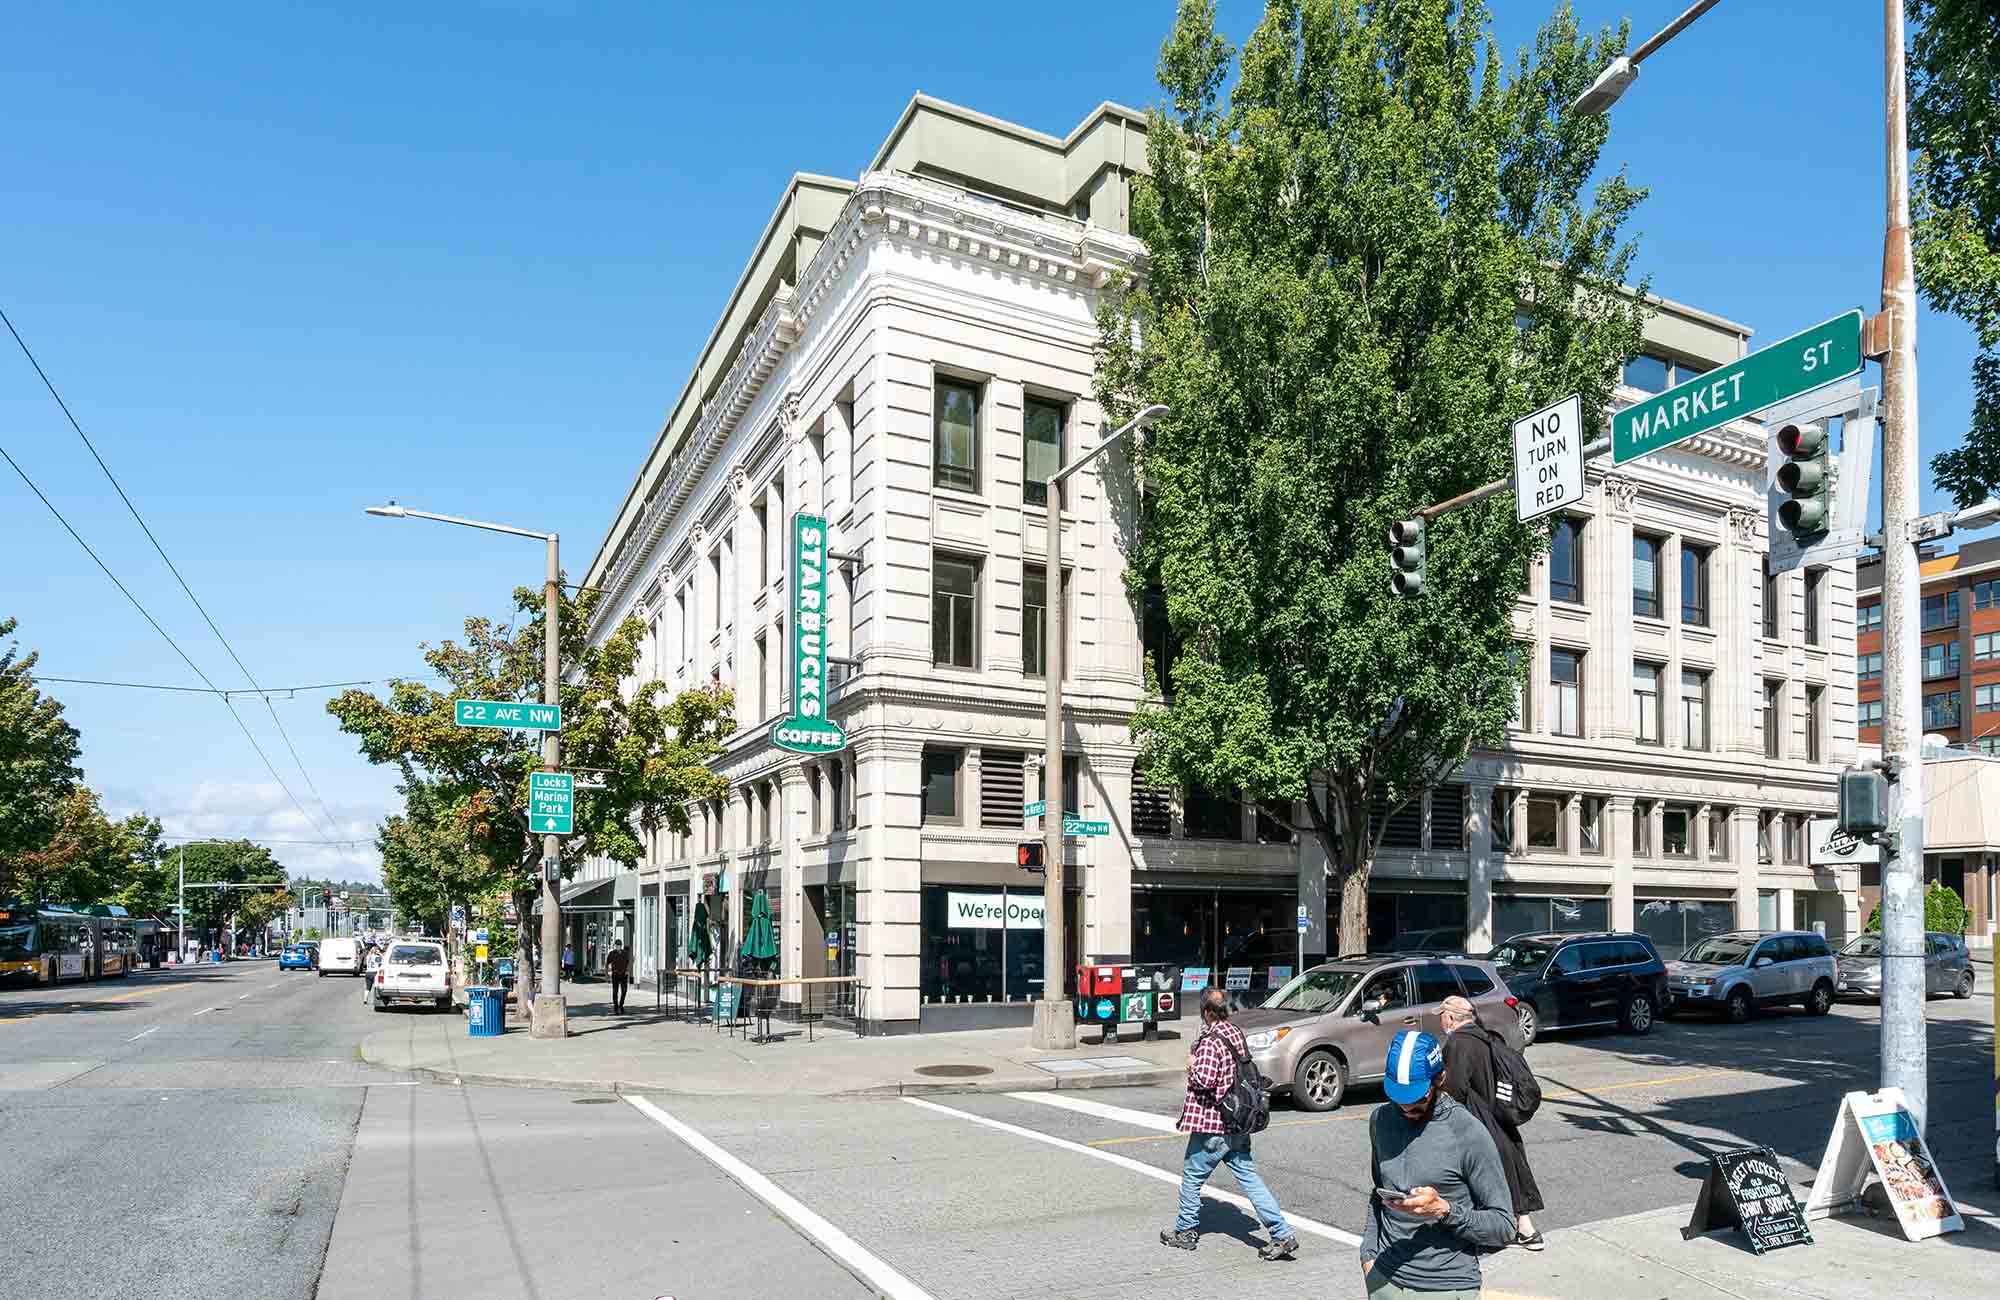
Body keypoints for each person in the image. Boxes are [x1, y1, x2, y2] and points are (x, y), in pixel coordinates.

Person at [1361, 1030, 1516, 1298]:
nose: (1407, 1108)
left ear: (1440, 1079)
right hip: (1384, 1281)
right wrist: (1368, 1255)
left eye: (1418, 1098)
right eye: (1399, 1099)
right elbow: (1378, 1192)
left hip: (1446, 1287)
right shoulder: (1381, 1120)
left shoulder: (1468, 1132)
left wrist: (1444, 1210)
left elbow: (1503, 1226)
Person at [1160, 986, 1300, 1261]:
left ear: (1207, 1012)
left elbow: (1205, 1080)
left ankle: (1185, 1232)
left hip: (1214, 1123)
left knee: (1191, 1177)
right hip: (1238, 1121)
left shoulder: (1212, 1041)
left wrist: (1192, 1065)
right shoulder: (1235, 1032)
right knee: (1250, 1178)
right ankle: (1281, 1234)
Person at [1439, 995, 1544, 1250]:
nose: (1440, 1020)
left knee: (1477, 1176)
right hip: (1500, 1117)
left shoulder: (1458, 1044)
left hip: (1477, 1121)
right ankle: (1525, 1228)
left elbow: (1455, 1090)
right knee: (1510, 1166)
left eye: (1441, 1015)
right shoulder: (1487, 1037)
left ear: (1451, 1018)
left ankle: (1488, 1231)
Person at [605, 941, 632, 1013]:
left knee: (624, 990)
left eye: (619, 945)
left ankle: (621, 1005)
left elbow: (629, 962)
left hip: (623, 974)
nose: (618, 947)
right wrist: (606, 974)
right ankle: (616, 1006)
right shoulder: (612, 953)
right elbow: (607, 964)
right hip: (615, 974)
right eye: (617, 945)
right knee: (615, 991)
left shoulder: (625, 953)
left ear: (621, 946)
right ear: (615, 946)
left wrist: (627, 971)